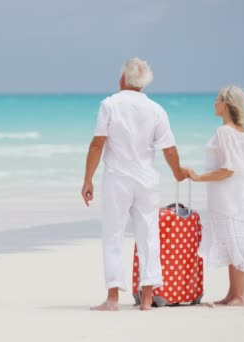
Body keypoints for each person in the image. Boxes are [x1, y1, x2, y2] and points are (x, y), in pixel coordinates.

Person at [81, 58, 189, 311]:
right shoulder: (156, 109)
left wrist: (87, 179)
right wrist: (177, 172)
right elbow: (169, 150)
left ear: (124, 79)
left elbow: (97, 144)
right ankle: (148, 297)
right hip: (147, 180)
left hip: (118, 178)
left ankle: (113, 299)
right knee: (149, 235)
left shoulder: (109, 104)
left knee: (113, 235)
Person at [187, 86, 244, 306]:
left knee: (236, 244)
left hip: (229, 196)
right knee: (235, 243)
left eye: (218, 99)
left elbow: (228, 169)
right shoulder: (240, 130)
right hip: (239, 194)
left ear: (227, 104)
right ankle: (233, 294)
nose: (214, 102)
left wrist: (198, 177)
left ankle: (240, 296)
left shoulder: (224, 132)